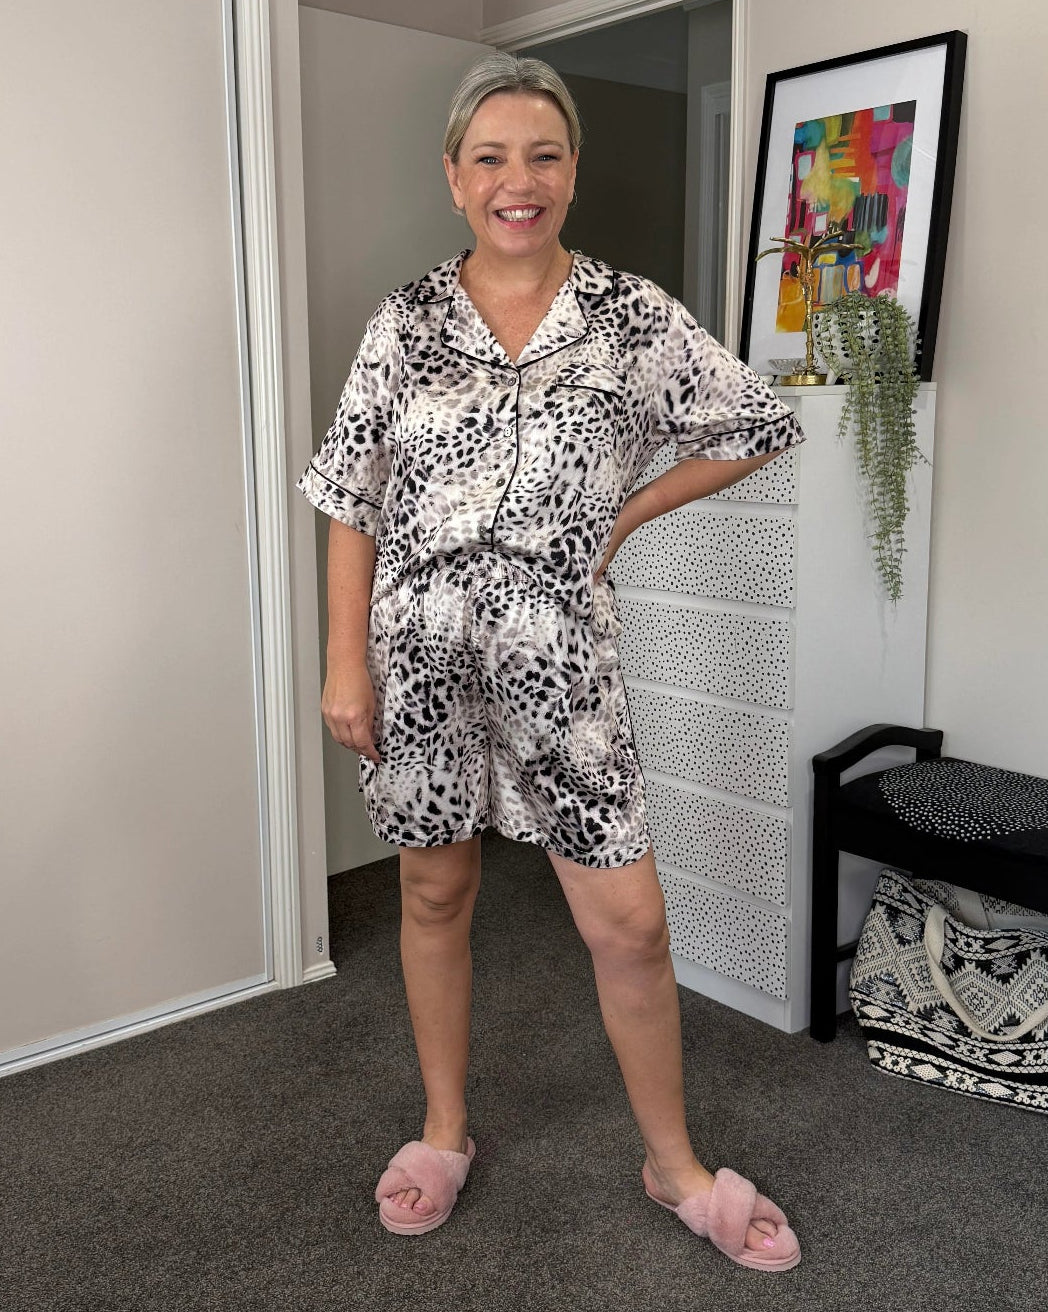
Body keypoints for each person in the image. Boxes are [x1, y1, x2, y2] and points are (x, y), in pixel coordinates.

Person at [298, 54, 804, 1272]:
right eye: (490, 157)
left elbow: (756, 422)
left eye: (541, 155)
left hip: (565, 665)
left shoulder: (632, 318)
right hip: (419, 659)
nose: (515, 180)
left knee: (629, 923)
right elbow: (351, 496)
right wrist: (344, 660)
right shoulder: (405, 323)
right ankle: (444, 1129)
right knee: (433, 893)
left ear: (572, 170)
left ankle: (673, 1164)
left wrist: (628, 511)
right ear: (454, 177)